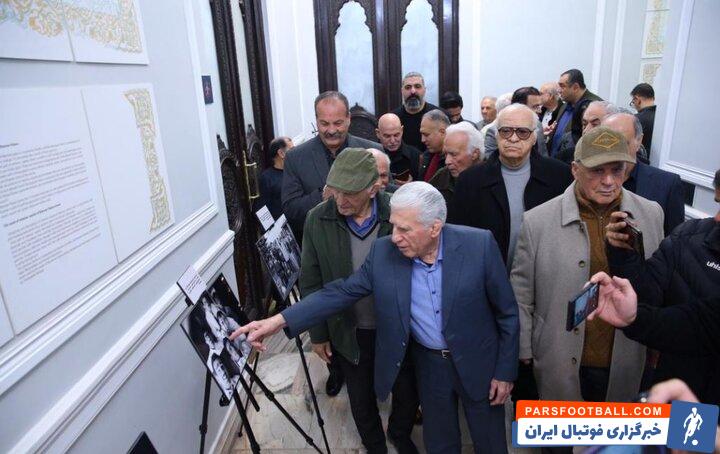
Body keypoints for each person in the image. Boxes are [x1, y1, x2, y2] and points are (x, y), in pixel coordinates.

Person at [232, 182, 519, 454]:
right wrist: (277, 321)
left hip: (480, 363)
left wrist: (505, 371)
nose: (394, 237)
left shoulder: (479, 245)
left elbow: (507, 313)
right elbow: (339, 292)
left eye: (404, 229)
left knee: (490, 442)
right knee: (441, 444)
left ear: (434, 228)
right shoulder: (384, 253)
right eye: (393, 225)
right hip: (430, 367)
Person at [510, 126, 664, 403]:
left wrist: (656, 343)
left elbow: (659, 285)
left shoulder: (651, 214)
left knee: (613, 430)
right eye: (597, 171)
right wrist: (524, 348)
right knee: (561, 430)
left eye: (617, 170)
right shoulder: (537, 221)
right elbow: (522, 293)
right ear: (575, 170)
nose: (609, 181)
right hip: (558, 354)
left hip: (625, 355)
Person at [301, 149, 418, 453]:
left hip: (398, 327)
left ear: (373, 188)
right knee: (360, 396)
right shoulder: (318, 219)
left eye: (349, 193)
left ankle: (399, 433)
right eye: (335, 191)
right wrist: (318, 334)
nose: (340, 200)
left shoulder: (399, 213)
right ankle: (375, 445)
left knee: (407, 390)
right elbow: (311, 281)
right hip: (349, 330)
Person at [592, 168, 720, 404]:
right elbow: (688, 320)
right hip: (683, 401)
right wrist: (623, 255)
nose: (717, 219)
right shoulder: (686, 238)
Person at [450, 104, 572, 268]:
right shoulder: (470, 180)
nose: (513, 138)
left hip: (544, 272)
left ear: (534, 137)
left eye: (522, 132)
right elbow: (458, 237)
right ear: (496, 135)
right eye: (506, 131)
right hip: (487, 273)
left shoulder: (559, 176)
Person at [281, 91, 380, 237]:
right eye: (324, 124)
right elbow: (291, 211)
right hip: (320, 244)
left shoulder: (373, 152)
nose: (331, 130)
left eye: (338, 123)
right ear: (316, 120)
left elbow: (384, 198)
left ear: (348, 119)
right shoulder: (295, 158)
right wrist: (323, 195)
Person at [601, 112, 685, 236]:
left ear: (639, 140)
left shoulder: (667, 184)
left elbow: (675, 240)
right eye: (606, 143)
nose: (613, 151)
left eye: (622, 144)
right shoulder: (588, 179)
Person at [549, 69, 603, 159]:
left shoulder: (595, 106)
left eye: (562, 86)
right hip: (557, 159)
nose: (558, 90)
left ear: (575, 87)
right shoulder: (564, 105)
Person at [428, 122, 483, 206]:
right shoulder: (442, 177)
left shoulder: (493, 180)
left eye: (453, 154)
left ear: (475, 153)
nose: (447, 161)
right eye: (445, 154)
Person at [391, 72, 440, 152]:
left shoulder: (439, 117)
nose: (413, 91)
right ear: (402, 91)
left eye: (417, 86)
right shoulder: (393, 119)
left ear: (424, 90)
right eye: (408, 87)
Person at [375, 113, 420, 184]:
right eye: (387, 136)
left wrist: (411, 185)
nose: (392, 141)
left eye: (396, 135)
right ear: (378, 133)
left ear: (402, 130)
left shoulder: (416, 156)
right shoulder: (370, 155)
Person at [257, 136, 293, 220]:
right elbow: (262, 210)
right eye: (292, 150)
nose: (296, 152)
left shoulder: (296, 171)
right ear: (281, 153)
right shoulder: (267, 178)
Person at [418, 109, 449, 182]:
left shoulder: (453, 162)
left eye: (426, 135)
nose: (422, 140)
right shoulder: (426, 156)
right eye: (422, 134)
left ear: (442, 132)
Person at [630, 83, 657, 153]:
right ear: (653, 98)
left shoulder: (635, 119)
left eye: (633, 102)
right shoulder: (661, 118)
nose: (634, 105)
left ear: (637, 99)